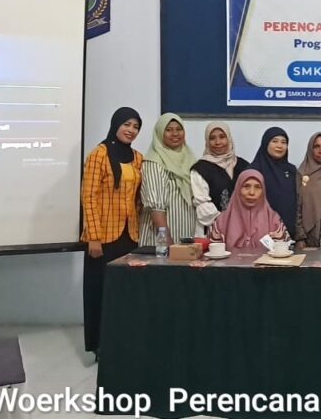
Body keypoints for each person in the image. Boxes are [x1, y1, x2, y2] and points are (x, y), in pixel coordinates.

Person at [81, 107, 143, 355]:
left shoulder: (137, 158)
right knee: (101, 291)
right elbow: (88, 196)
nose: (131, 130)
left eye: (136, 127)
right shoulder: (99, 154)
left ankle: (122, 341)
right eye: (127, 124)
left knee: (125, 294)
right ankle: (100, 345)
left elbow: (137, 198)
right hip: (104, 238)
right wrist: (93, 237)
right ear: (115, 124)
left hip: (129, 236)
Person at [140, 113, 198, 244]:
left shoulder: (190, 159)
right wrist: (166, 238)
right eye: (168, 130)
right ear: (160, 133)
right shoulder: (154, 162)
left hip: (185, 233)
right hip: (160, 238)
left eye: (179, 129)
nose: (175, 134)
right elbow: (156, 206)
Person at [190, 122, 251, 233]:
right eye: (212, 138)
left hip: (245, 228)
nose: (218, 142)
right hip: (214, 230)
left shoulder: (244, 166)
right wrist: (228, 223)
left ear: (229, 138)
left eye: (222, 137)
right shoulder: (200, 169)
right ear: (207, 142)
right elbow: (203, 205)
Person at [210, 169, 289, 251]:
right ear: (238, 189)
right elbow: (212, 254)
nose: (252, 192)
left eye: (257, 187)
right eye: (246, 186)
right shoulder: (221, 222)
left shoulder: (274, 221)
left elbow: (283, 253)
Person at [250, 127, 298, 239]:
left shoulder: (291, 170)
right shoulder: (254, 171)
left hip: (290, 232)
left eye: (283, 142)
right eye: (275, 141)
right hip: (261, 232)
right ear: (266, 143)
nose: (279, 146)